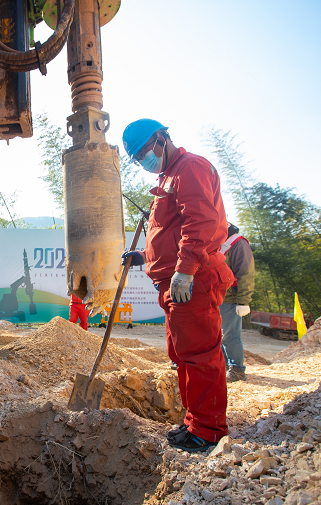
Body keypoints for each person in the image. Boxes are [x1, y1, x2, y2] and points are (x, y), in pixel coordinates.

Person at [120, 119, 233, 453]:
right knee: (183, 355)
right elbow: (171, 233)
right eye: (138, 159)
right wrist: (144, 256)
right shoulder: (167, 177)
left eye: (146, 152)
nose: (145, 161)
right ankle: (194, 422)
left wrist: (184, 270)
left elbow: (200, 223)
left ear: (162, 139)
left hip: (192, 281)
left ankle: (209, 430)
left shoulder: (190, 168)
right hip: (175, 284)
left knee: (199, 355)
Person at [220, 223, 255, 382]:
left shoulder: (238, 244)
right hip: (216, 297)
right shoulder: (218, 244)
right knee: (218, 336)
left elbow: (246, 273)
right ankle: (224, 366)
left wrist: (243, 301)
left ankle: (237, 369)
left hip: (231, 299)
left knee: (230, 336)